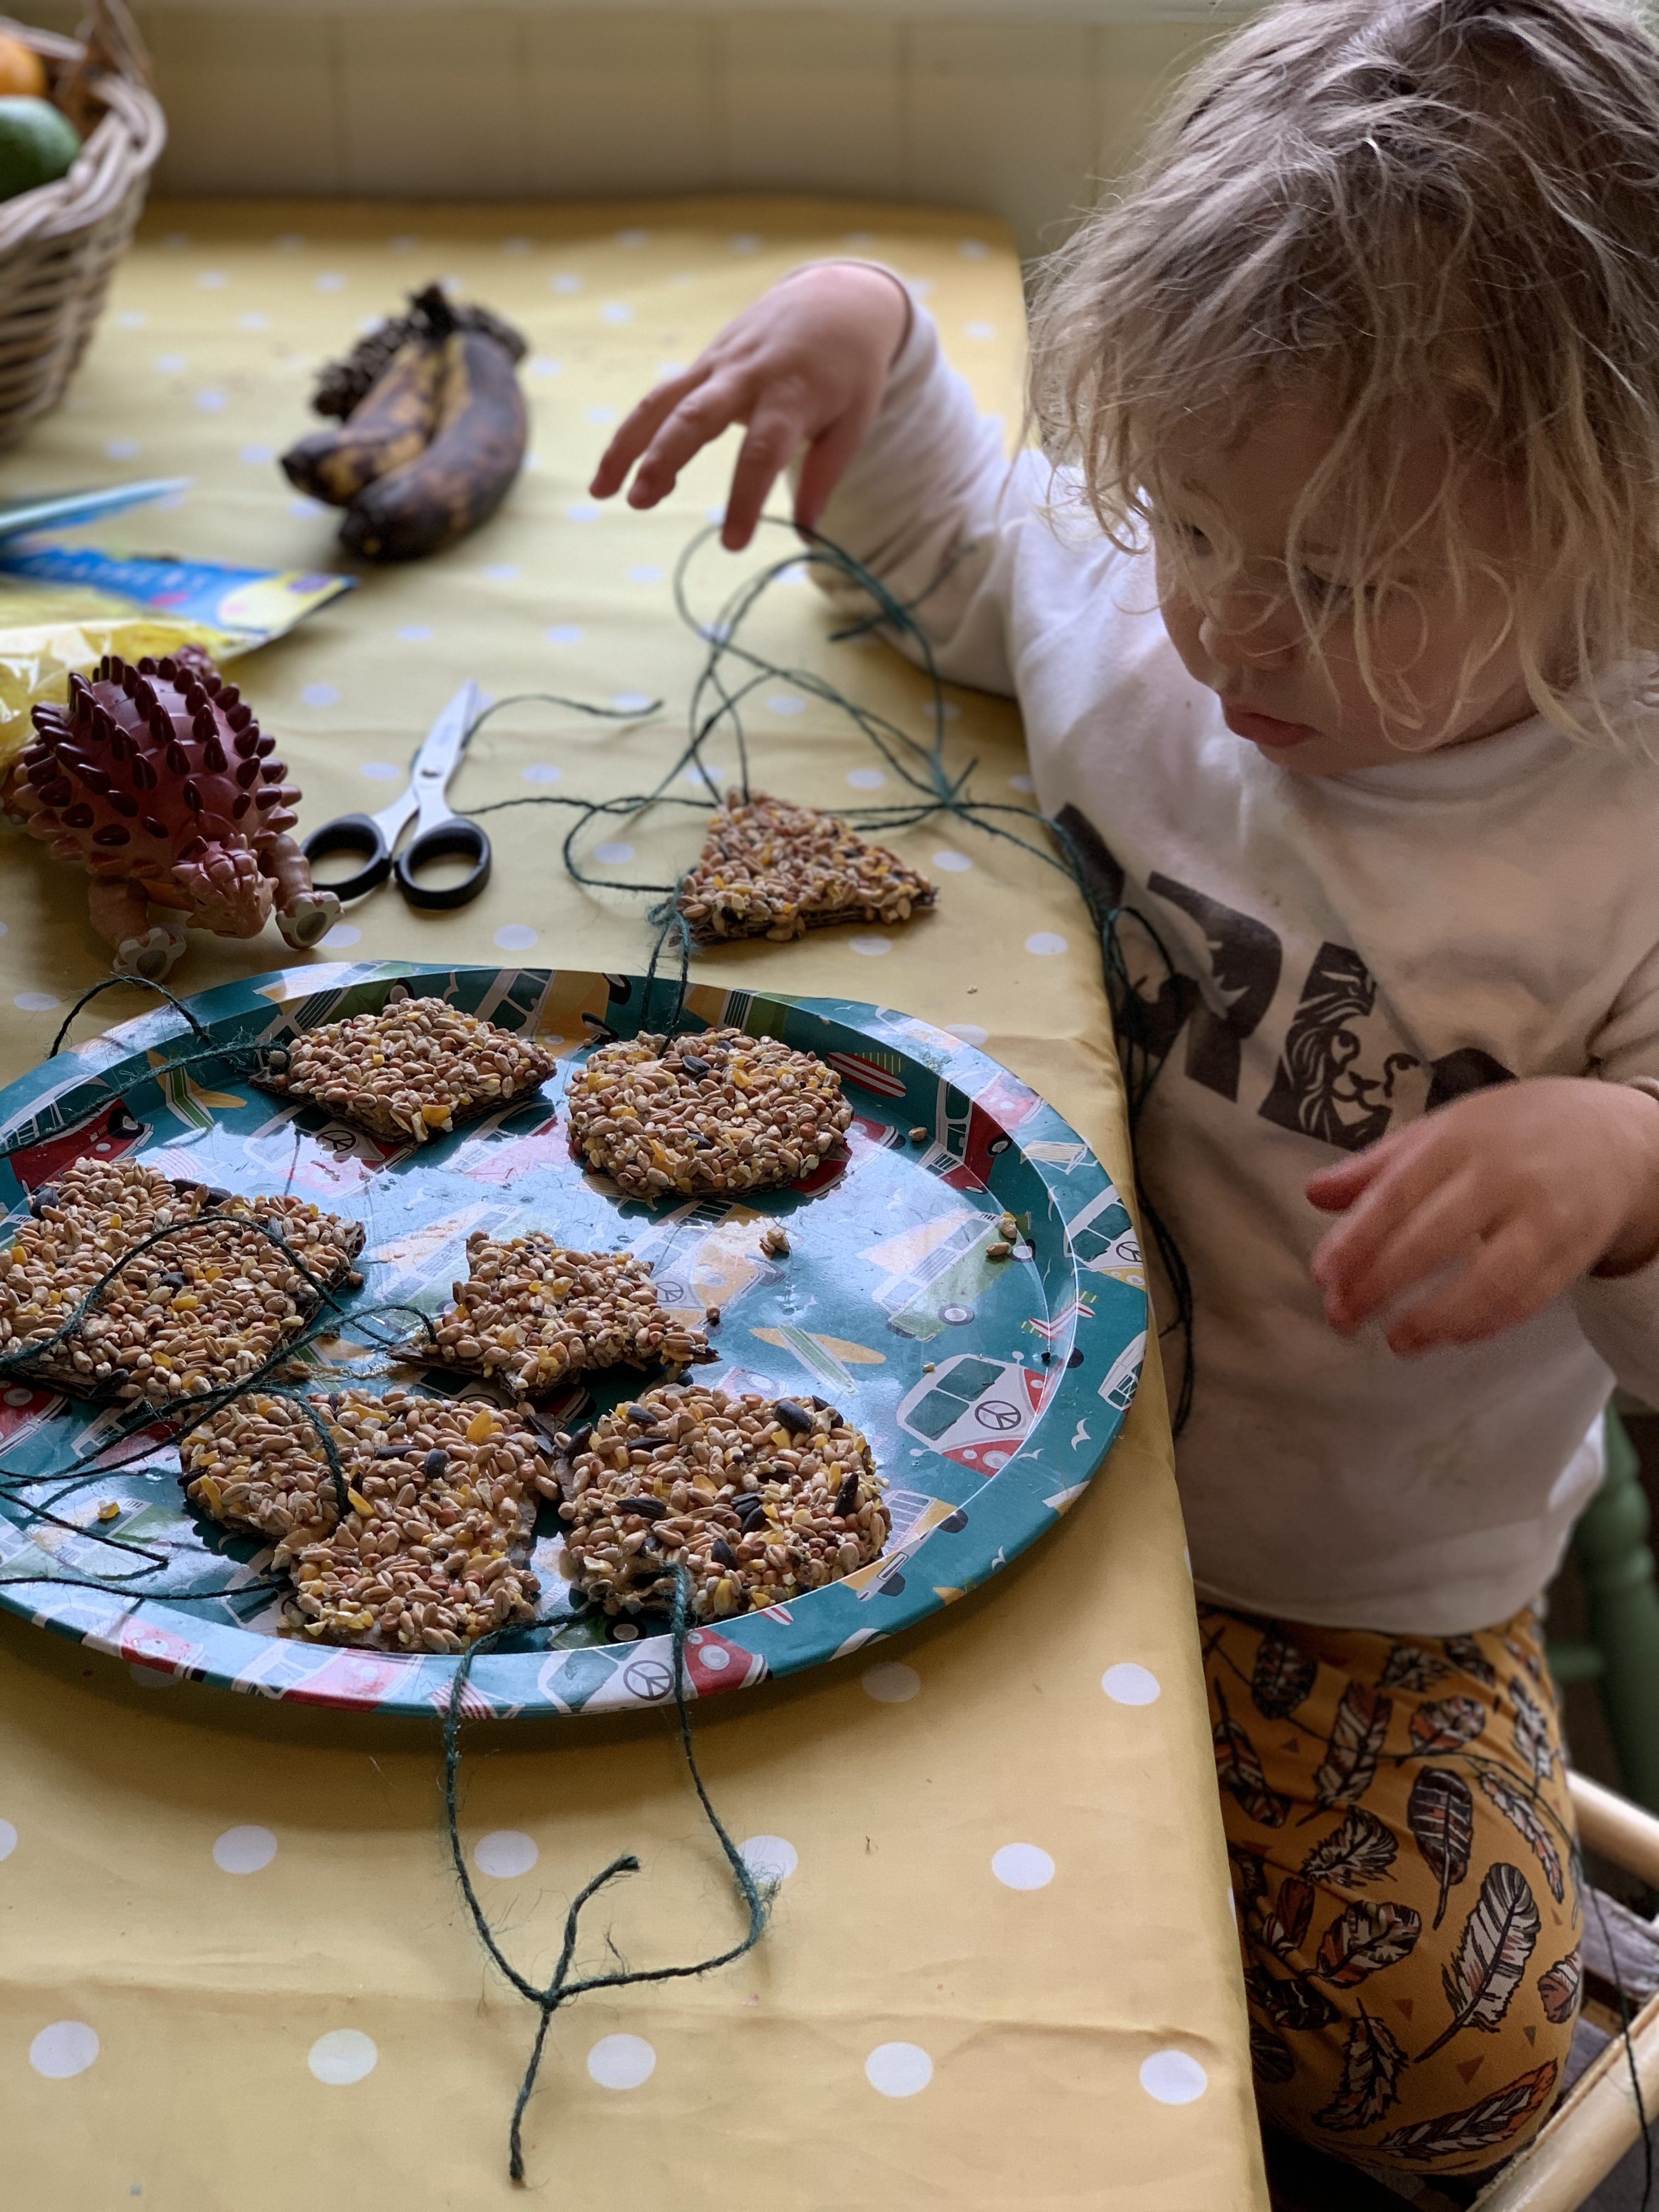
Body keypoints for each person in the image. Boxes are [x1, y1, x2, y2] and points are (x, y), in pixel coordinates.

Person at [594, 0, 1659, 2183]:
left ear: (1619, 541)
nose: (1228, 633)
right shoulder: (1175, 617)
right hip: (927, 1427)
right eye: (1187, 522)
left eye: (1340, 585)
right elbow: (978, 553)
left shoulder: (1622, 842)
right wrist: (863, 348)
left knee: (1437, 2085)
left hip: (1332, 1583)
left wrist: (1631, 1173)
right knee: (743, 1890)